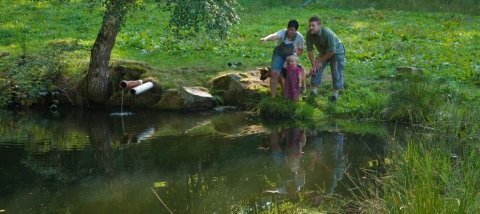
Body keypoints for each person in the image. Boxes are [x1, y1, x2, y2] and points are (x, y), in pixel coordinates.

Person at [260, 19, 305, 98]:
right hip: (278, 54)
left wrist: (294, 56)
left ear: (296, 30)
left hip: (290, 56)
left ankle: (292, 95)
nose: (290, 32)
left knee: (293, 74)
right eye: (289, 29)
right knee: (274, 73)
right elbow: (274, 36)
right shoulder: (282, 32)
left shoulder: (300, 37)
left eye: (292, 30)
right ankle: (272, 97)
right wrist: (266, 38)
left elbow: (300, 50)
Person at [306, 16, 346, 102]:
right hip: (323, 51)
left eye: (313, 26)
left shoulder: (328, 34)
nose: (311, 28)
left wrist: (320, 61)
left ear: (319, 26)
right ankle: (313, 93)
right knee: (315, 70)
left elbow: (332, 51)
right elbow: (309, 50)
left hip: (337, 53)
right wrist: (314, 64)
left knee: (336, 74)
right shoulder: (309, 33)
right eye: (309, 25)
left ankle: (335, 96)